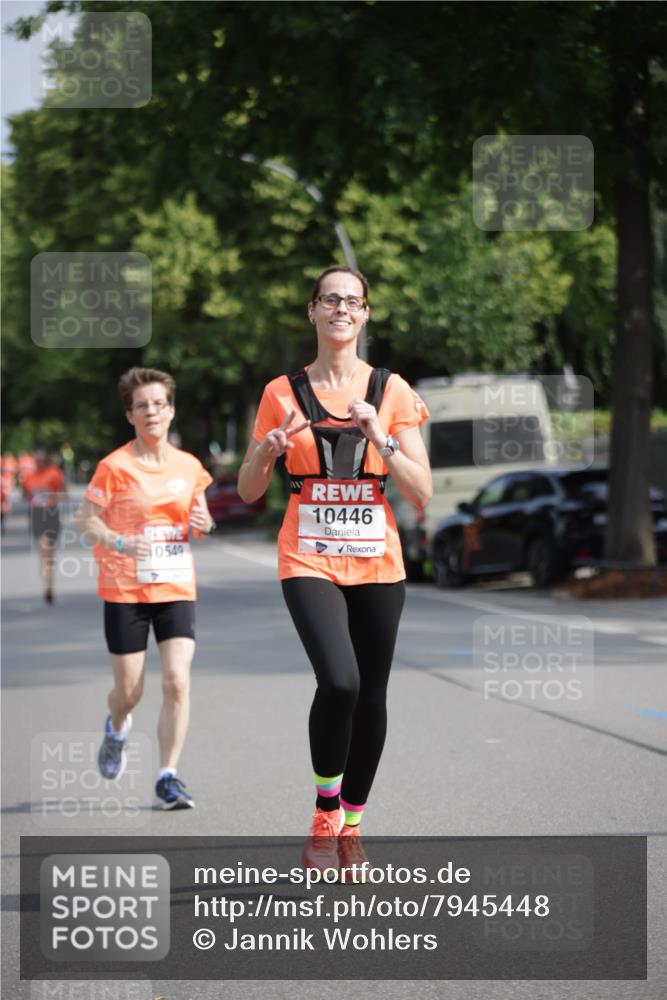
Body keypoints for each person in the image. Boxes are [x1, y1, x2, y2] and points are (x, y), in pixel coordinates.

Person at [238, 266, 432, 876]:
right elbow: (246, 490)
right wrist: (269, 449)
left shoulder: (391, 390)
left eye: (353, 301)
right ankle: (324, 814)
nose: (341, 309)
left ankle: (351, 824)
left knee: (372, 694)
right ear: (313, 311)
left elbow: (422, 492)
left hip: (378, 560)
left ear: (365, 314)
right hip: (307, 556)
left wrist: (383, 437)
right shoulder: (280, 392)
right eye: (331, 300)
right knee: (341, 681)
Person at [76, 367, 215, 810]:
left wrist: (205, 524)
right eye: (142, 406)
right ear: (130, 416)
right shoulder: (114, 467)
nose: (151, 411)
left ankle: (167, 776)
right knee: (130, 692)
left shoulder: (189, 466)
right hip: (125, 589)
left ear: (171, 411)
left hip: (175, 584)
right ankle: (117, 728)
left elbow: (203, 518)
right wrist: (119, 541)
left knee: (177, 681)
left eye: (159, 404)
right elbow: (84, 519)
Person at [22, 449, 67, 603]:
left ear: (46, 460)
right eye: (36, 460)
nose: (39, 463)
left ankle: (49, 582)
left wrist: (52, 497)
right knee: (44, 550)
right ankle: (48, 583)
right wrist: (33, 497)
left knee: (49, 552)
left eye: (41, 460)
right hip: (37, 514)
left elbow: (64, 493)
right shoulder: (29, 478)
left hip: (51, 514)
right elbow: (25, 495)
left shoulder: (54, 473)